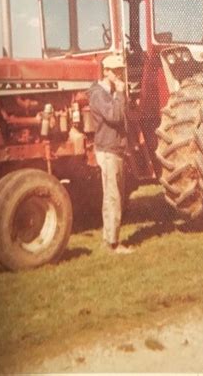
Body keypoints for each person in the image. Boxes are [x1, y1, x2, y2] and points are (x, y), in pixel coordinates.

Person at [88, 54, 134, 255]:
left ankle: (109, 239)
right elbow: (115, 116)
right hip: (108, 150)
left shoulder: (108, 92)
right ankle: (112, 244)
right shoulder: (100, 94)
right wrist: (121, 94)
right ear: (105, 71)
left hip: (113, 149)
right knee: (113, 198)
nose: (118, 74)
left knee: (114, 197)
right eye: (114, 71)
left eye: (120, 70)